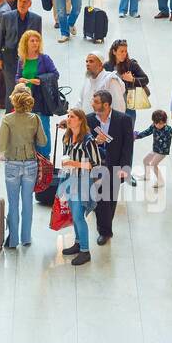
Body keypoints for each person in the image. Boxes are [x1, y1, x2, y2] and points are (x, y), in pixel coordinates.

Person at [0, 84, 47, 249]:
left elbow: (1, 146)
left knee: (13, 203)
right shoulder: (35, 118)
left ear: (13, 100)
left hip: (12, 164)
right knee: (27, 203)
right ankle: (26, 238)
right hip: (31, 164)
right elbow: (43, 142)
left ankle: (12, 241)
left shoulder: (7, 119)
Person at [86, 88, 133, 245]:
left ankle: (105, 226)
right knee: (101, 199)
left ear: (106, 105)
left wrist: (125, 168)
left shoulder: (123, 120)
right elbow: (84, 140)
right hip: (96, 167)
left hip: (116, 166)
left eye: (96, 102)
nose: (92, 104)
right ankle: (105, 231)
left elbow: (128, 146)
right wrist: (94, 141)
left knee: (110, 200)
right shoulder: (89, 120)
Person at [58, 109, 99, 266]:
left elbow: (95, 164)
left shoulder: (88, 140)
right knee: (73, 214)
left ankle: (85, 250)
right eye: (68, 116)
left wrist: (74, 163)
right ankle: (77, 242)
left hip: (83, 181)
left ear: (81, 120)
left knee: (78, 216)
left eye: (72, 117)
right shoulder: (67, 137)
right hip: (69, 178)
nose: (69, 119)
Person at [104, 38, 149, 130]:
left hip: (129, 105)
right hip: (112, 105)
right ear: (114, 52)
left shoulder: (131, 64)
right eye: (121, 51)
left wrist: (132, 79)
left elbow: (145, 79)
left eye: (125, 51)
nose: (124, 54)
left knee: (128, 131)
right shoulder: (107, 66)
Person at [134, 109, 172, 187]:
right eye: (156, 123)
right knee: (145, 161)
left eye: (161, 123)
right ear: (153, 122)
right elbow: (146, 132)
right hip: (155, 149)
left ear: (165, 122)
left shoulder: (168, 129)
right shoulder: (153, 126)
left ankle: (161, 181)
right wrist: (136, 136)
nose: (158, 125)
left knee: (153, 164)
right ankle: (147, 176)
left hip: (162, 152)